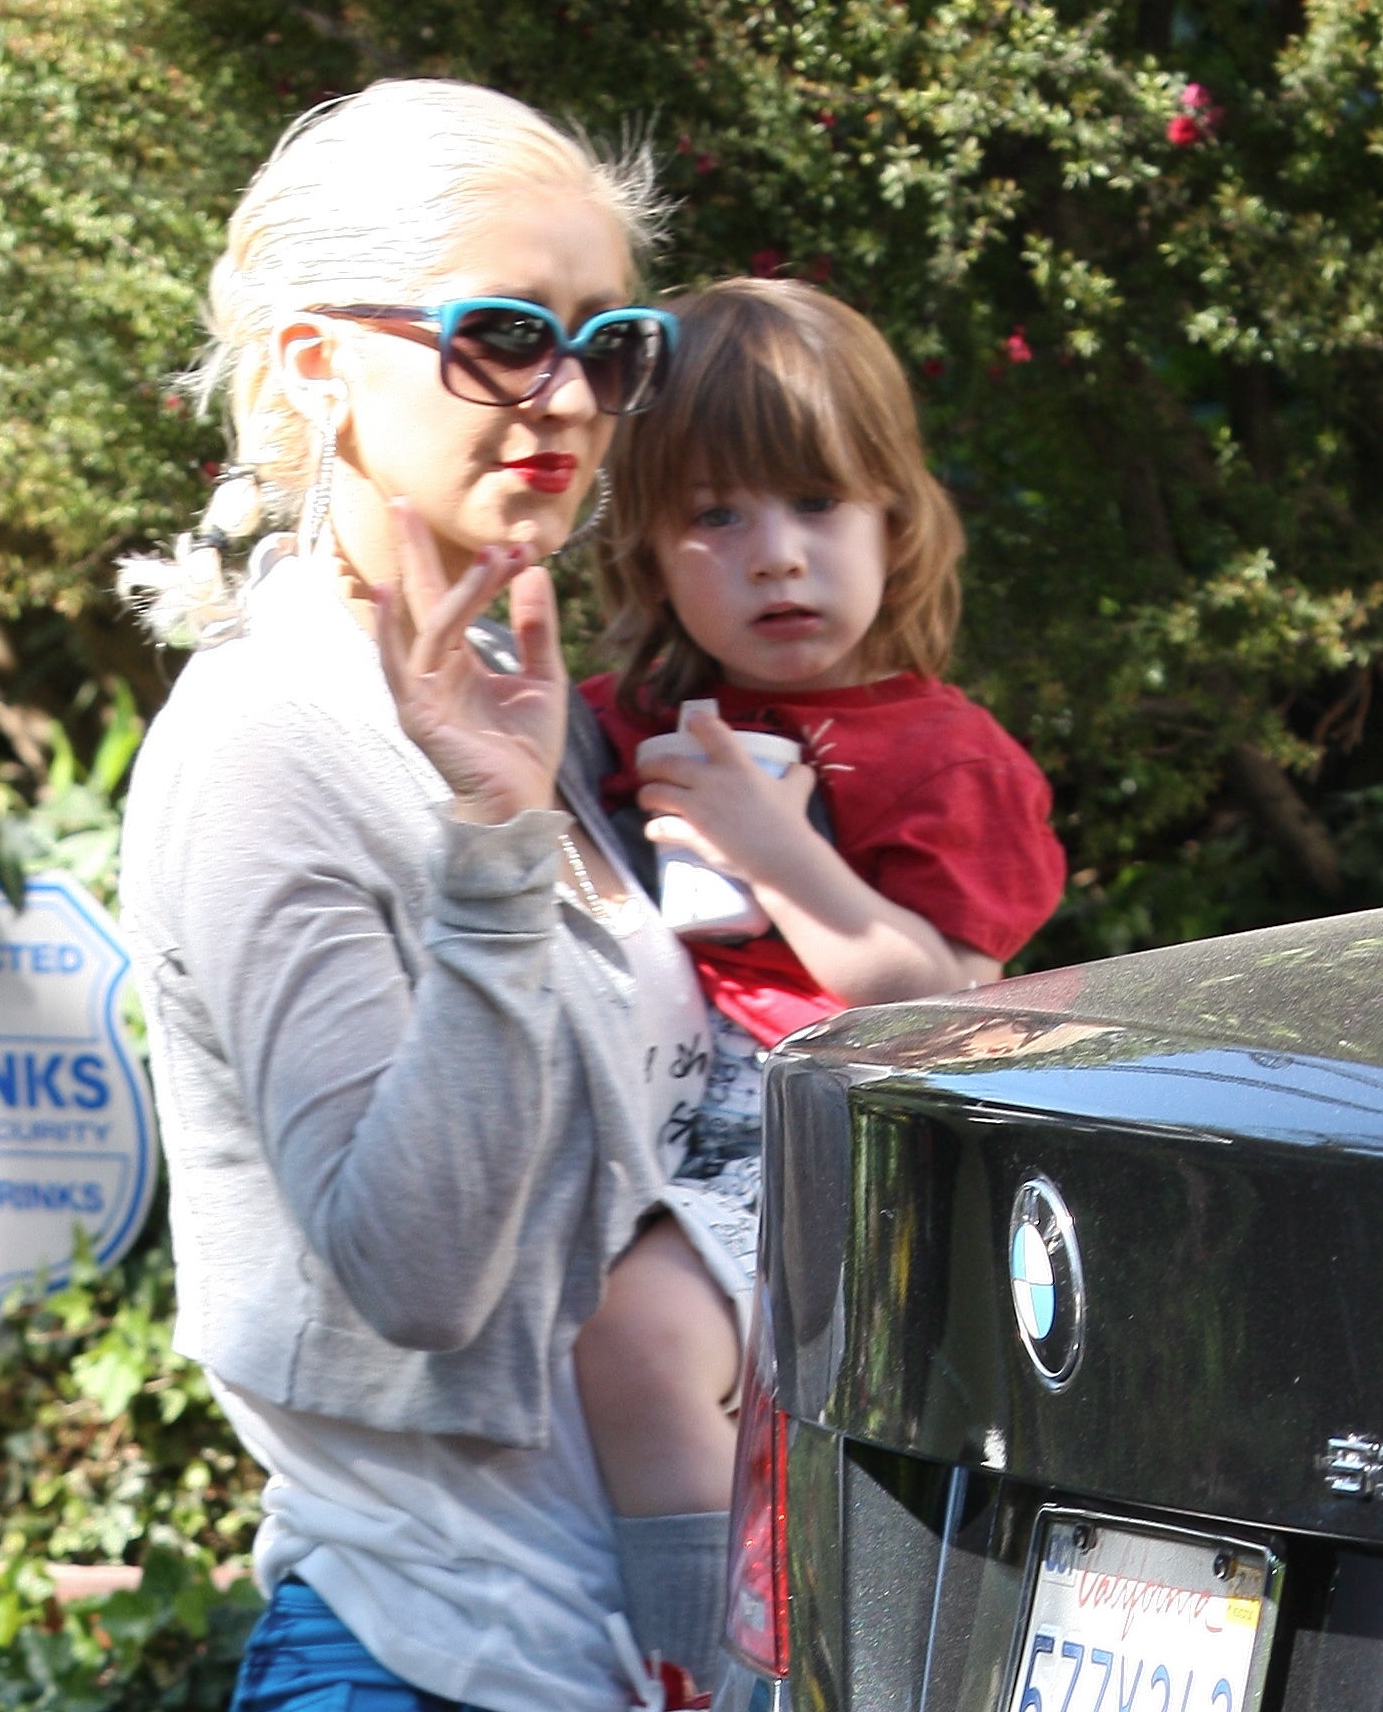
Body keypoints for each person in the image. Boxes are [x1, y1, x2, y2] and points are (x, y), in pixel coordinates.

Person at [117, 80, 726, 1712]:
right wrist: (490, 852)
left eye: (607, 347)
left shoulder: (526, 710)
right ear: (315, 367)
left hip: (637, 1656)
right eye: (503, 334)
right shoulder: (268, 741)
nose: (566, 395)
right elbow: (417, 1277)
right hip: (428, 1653)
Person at [573, 278, 1067, 1531]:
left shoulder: (949, 756)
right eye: (715, 514)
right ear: (646, 551)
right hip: (632, 1111)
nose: (777, 553)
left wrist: (774, 850)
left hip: (832, 1123)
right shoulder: (617, 718)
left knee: (640, 1344)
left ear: (894, 519)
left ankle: (703, 1639)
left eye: (815, 501)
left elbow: (942, 996)